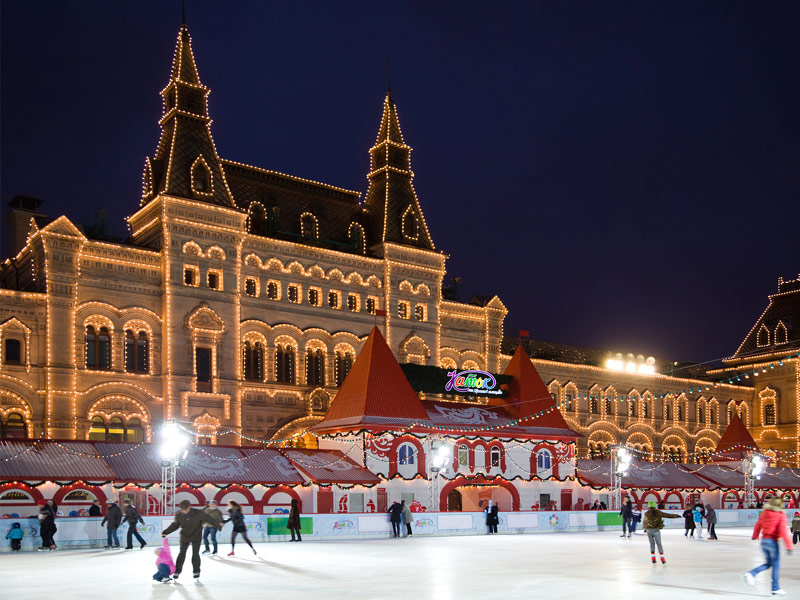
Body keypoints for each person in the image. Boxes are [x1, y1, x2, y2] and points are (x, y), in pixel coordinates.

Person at [741, 496, 794, 595]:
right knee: (776, 565)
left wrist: (755, 535)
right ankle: (775, 587)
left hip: (764, 541)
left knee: (769, 563)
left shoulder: (765, 512)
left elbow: (758, 524)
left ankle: (751, 574)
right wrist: (789, 546)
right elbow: (783, 531)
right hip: (773, 541)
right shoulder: (780, 514)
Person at [161, 499, 221, 580]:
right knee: (182, 553)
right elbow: (175, 525)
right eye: (183, 510)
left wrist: (219, 526)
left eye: (186, 509)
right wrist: (165, 532)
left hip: (196, 536)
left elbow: (209, 519)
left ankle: (196, 571)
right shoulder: (179, 515)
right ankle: (177, 571)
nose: (184, 511)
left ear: (190, 507)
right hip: (185, 536)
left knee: (195, 553)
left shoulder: (198, 513)